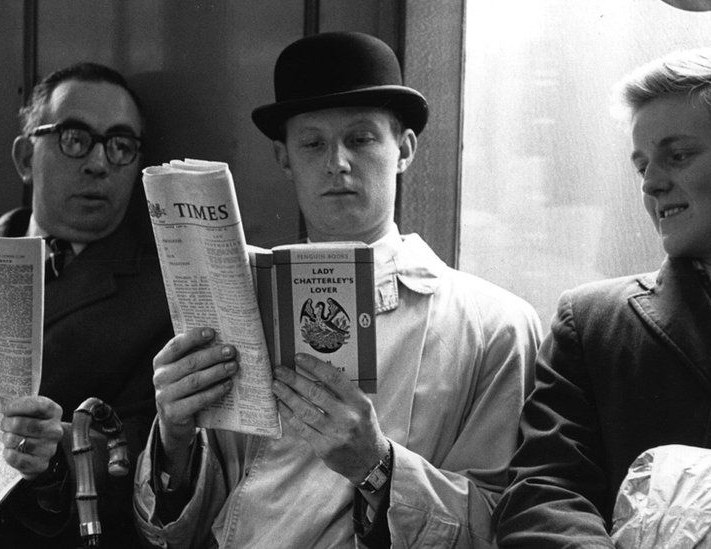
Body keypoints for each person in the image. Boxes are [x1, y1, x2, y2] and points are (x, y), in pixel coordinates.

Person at [133, 32, 542, 548]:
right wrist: (174, 436)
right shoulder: (234, 305)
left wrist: (378, 466)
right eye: (312, 143)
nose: (337, 163)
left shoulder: (493, 325)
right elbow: (173, 531)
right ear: (284, 158)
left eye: (362, 138)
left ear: (405, 149)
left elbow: (506, 524)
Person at [492, 48, 711, 548]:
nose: (651, 183)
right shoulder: (589, 322)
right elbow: (544, 491)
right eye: (642, 165)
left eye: (678, 155)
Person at [0, 62, 173, 548]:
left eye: (120, 146)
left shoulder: (164, 293)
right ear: (25, 158)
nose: (98, 163)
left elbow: (146, 452)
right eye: (75, 138)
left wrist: (56, 460)